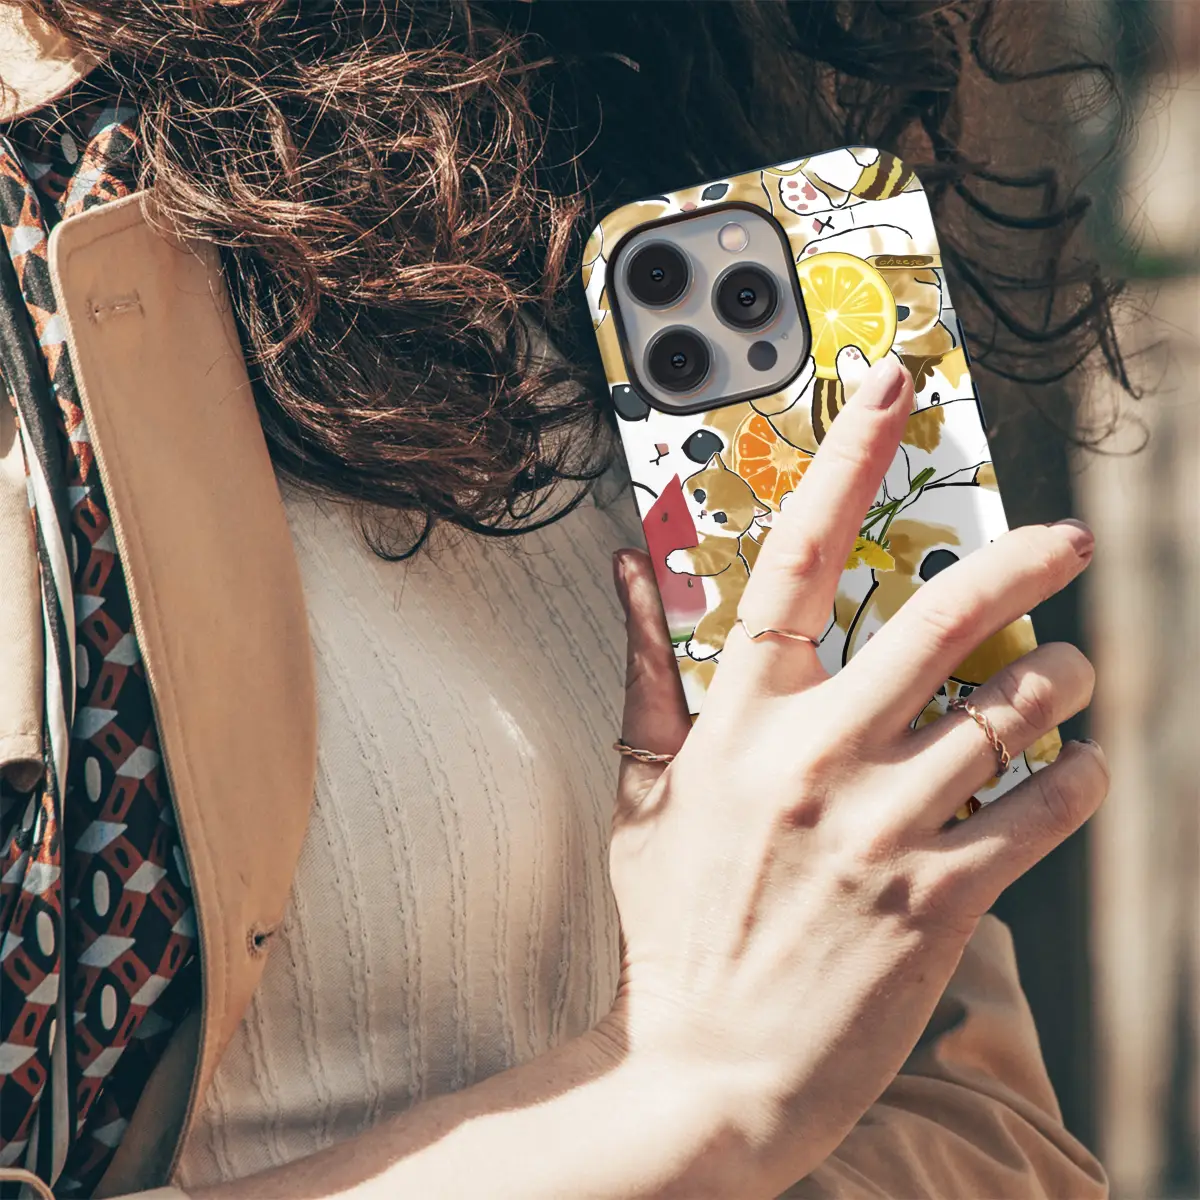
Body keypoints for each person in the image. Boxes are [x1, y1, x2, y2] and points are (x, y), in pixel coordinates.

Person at [0, 3, 1121, 1197]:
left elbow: (989, 1136)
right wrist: (686, 1090)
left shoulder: (625, 166)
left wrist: (737, 1093)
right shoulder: (44, 258)